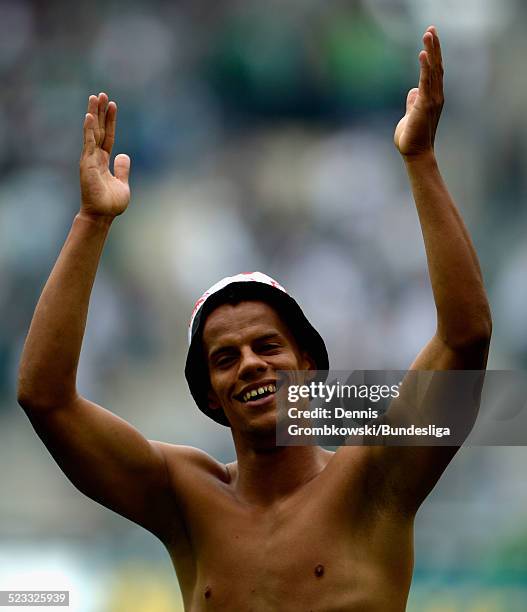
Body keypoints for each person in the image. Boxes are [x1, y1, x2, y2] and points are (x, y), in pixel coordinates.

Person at [17, 26, 491, 611]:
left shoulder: (375, 479)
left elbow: (465, 339)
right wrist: (91, 222)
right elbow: (46, 399)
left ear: (309, 363)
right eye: (224, 357)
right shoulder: (183, 499)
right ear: (210, 395)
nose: (248, 364)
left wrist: (419, 159)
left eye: (267, 345)